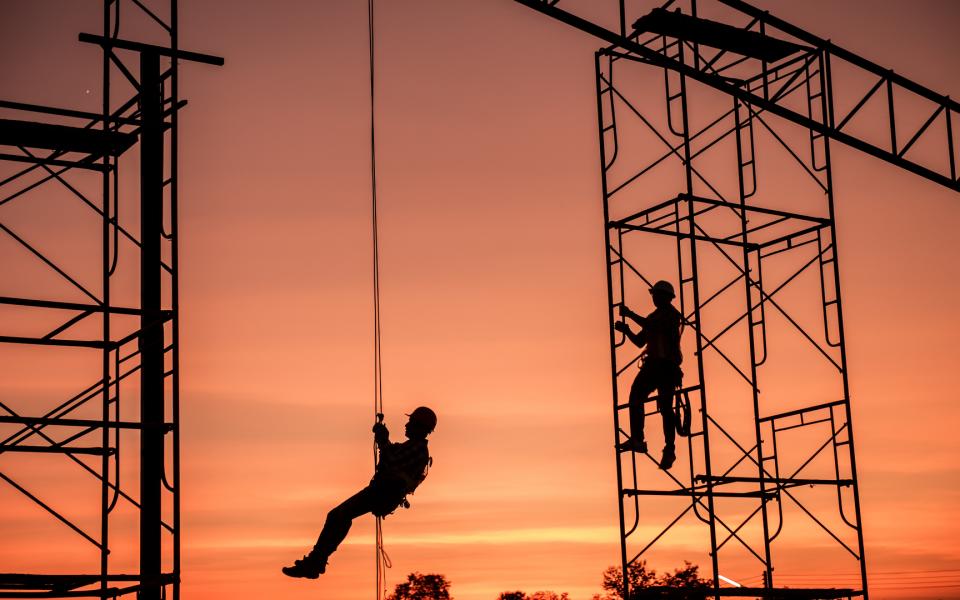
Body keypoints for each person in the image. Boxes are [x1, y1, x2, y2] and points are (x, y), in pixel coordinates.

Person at [282, 406, 437, 579]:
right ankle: (316, 562)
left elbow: (392, 460)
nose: (406, 425)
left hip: (383, 492)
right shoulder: (411, 447)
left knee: (338, 516)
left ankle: (315, 563)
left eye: (411, 422)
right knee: (339, 516)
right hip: (381, 491)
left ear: (420, 426)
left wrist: (383, 439)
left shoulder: (418, 450)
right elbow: (392, 453)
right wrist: (383, 439)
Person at [614, 280, 683, 470]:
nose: (653, 298)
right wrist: (627, 330)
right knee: (635, 397)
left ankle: (669, 448)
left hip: (666, 367)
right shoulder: (654, 316)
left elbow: (652, 325)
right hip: (653, 366)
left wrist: (629, 314)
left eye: (656, 295)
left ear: (665, 297)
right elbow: (639, 341)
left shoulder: (671, 315)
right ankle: (638, 438)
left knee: (666, 408)